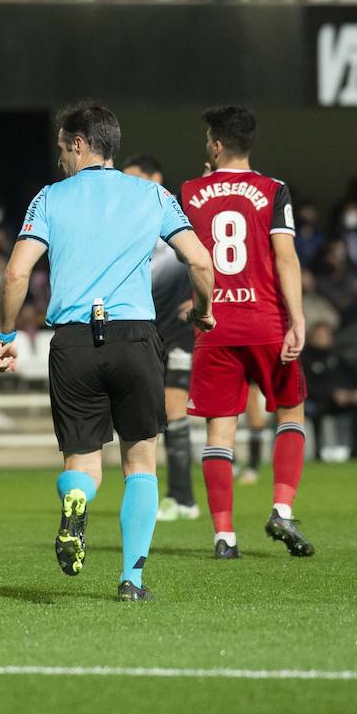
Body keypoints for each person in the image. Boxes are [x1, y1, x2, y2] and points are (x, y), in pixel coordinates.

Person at [0, 104, 214, 602]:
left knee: (82, 461)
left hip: (73, 341)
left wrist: (5, 337)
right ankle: (131, 580)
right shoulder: (152, 195)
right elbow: (200, 261)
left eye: (61, 148)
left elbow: (16, 272)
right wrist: (203, 311)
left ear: (78, 143)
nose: (59, 159)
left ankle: (75, 497)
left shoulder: (49, 198)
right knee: (140, 463)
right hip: (134, 336)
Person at [180, 106, 314, 560]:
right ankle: (282, 509)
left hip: (214, 326)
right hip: (265, 322)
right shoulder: (273, 189)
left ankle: (224, 536)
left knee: (220, 433)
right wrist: (297, 318)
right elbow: (285, 257)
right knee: (291, 413)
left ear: (216, 145)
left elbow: (190, 256)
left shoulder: (190, 192)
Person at [123, 155, 198, 522]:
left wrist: (201, 299)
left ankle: (182, 498)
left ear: (156, 178)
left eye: (135, 178)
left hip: (179, 332)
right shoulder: (127, 223)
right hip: (145, 332)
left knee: (173, 410)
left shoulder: (177, 216)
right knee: (153, 415)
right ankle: (175, 496)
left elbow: (209, 258)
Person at [302, 321, 357, 458]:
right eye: (319, 336)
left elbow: (355, 374)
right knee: (316, 411)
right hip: (315, 401)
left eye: (326, 336)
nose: (323, 339)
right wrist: (332, 394)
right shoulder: (304, 358)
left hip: (339, 400)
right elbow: (305, 386)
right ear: (311, 337)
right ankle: (317, 453)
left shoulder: (338, 355)